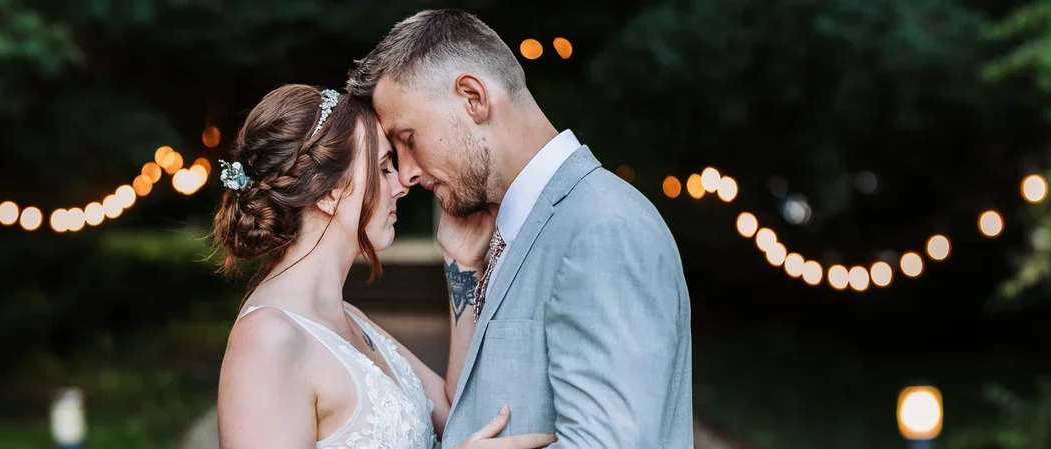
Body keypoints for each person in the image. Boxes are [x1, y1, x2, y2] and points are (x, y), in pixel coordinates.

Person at [346, 9, 694, 448]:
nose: (408, 173)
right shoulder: (519, 226)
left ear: (473, 97)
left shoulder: (602, 228)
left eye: (408, 139)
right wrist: (462, 270)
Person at [212, 84, 557, 449]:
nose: (402, 184)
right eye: (383, 167)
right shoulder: (268, 338)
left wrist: (461, 265)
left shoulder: (348, 318)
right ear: (327, 191)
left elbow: (457, 408)